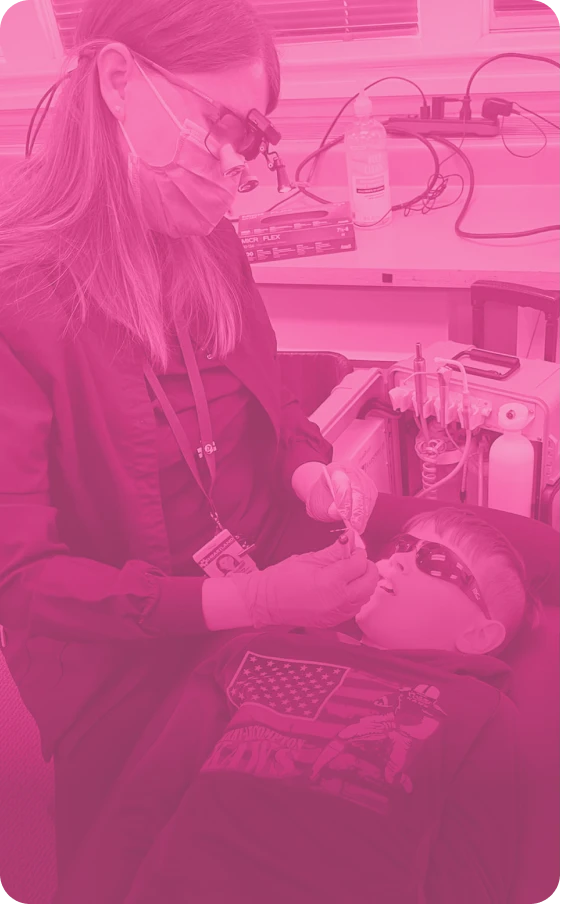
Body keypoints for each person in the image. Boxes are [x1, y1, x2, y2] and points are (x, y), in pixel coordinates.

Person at [0, 0, 379, 882]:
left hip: (270, 559)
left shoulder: (210, 242)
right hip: (139, 649)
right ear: (120, 81)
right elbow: (19, 583)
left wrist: (308, 475)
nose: (231, 170)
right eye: (220, 126)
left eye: (253, 139)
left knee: (527, 557)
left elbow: (267, 409)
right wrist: (248, 607)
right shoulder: (19, 297)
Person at [52, 507, 536, 904]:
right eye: (401, 547)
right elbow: (145, 798)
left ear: (479, 636)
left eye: (435, 561)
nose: (401, 560)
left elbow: (471, 876)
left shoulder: (483, 713)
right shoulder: (257, 648)